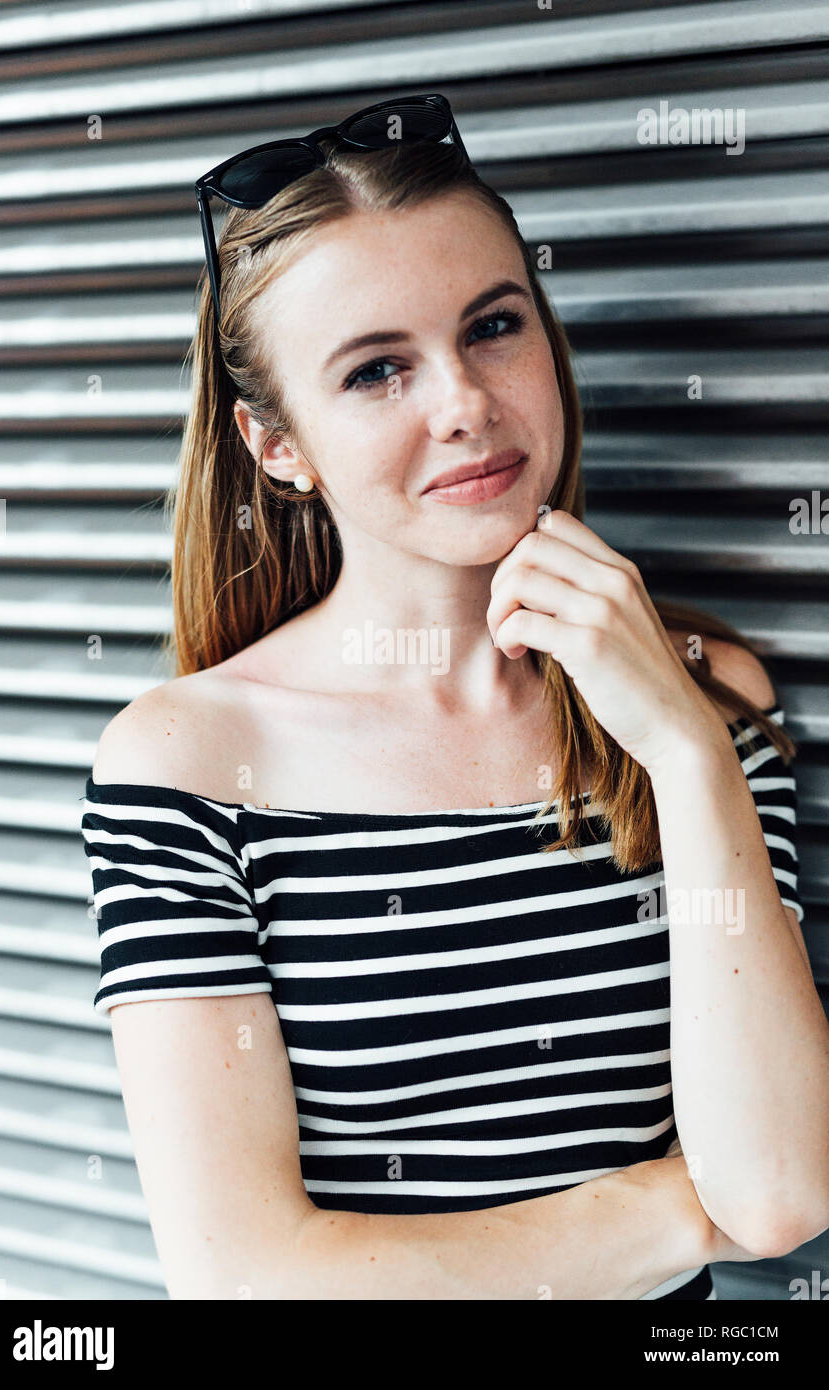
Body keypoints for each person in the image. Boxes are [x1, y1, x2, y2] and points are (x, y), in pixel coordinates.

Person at [81, 95, 829, 1300]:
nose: (465, 402)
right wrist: (676, 1202)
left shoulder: (703, 708)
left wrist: (683, 752)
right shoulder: (186, 765)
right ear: (278, 446)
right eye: (377, 369)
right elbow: (251, 1281)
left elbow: (783, 1191)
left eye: (492, 326)